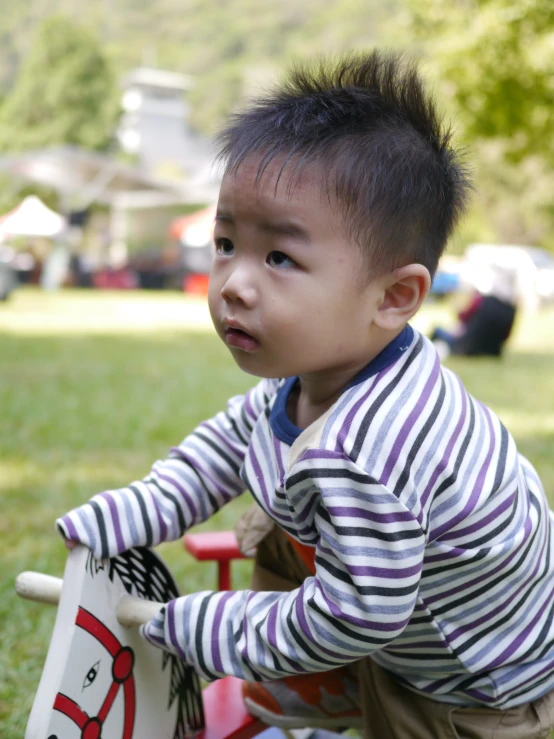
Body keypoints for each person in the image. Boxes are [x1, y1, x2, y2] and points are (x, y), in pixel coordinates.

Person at [56, 52, 554, 738]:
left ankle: (333, 671)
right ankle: (323, 681)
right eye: (226, 241)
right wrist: (140, 510)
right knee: (277, 518)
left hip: (467, 679)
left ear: (394, 297)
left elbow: (359, 612)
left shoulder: (370, 452)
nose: (233, 281)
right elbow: (227, 444)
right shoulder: (332, 367)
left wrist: (216, 625)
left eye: (280, 257)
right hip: (397, 598)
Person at [431, 266, 518, 358]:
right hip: (492, 349)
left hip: (466, 346)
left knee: (437, 331)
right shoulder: (511, 309)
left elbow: (463, 318)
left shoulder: (483, 301)